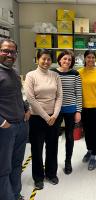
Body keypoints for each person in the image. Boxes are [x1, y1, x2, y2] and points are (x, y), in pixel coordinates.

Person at [24, 49, 62, 190]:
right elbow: (31, 99)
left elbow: (59, 96)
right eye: (43, 59)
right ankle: (38, 177)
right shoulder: (31, 76)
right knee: (37, 149)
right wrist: (46, 117)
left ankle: (51, 174)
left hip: (54, 118)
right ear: (37, 59)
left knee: (52, 147)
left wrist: (55, 115)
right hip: (37, 119)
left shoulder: (55, 75)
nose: (46, 62)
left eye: (48, 59)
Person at [0, 38, 29, 200]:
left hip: (21, 125)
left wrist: (27, 108)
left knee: (17, 163)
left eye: (13, 52)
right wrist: (2, 122)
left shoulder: (14, 72)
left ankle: (16, 194)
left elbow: (18, 95)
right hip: (5, 128)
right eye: (5, 51)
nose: (9, 54)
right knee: (4, 167)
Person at [51, 50, 82, 175]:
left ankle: (68, 161)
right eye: (64, 59)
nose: (67, 61)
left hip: (71, 109)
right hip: (55, 110)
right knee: (53, 137)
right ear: (59, 60)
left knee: (69, 137)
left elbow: (78, 93)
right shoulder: (53, 73)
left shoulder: (75, 74)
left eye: (69, 60)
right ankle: (52, 163)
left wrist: (78, 111)